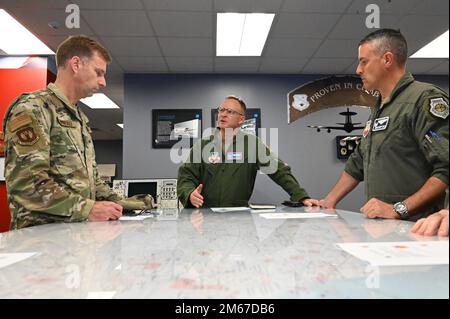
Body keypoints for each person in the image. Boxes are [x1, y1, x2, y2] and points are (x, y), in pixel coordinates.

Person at [3, 35, 152, 230]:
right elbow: (27, 183)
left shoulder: (79, 118)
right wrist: (88, 209)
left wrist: (131, 204)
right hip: (41, 238)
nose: (103, 82)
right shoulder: (33, 108)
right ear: (76, 64)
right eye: (98, 72)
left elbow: (92, 183)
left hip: (76, 236)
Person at [320, 29, 449, 221]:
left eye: (364, 61)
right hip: (383, 229)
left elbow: (446, 166)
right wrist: (328, 201)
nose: (358, 70)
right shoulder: (379, 108)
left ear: (387, 59)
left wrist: (399, 209)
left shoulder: (423, 99)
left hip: (417, 230)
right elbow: (357, 163)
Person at [177, 95, 318, 208]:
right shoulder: (202, 145)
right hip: (203, 215)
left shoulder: (252, 144)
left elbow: (278, 170)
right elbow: (186, 177)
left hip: (239, 217)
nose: (223, 115)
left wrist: (301, 196)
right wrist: (190, 194)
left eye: (230, 112)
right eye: (221, 110)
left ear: (241, 119)